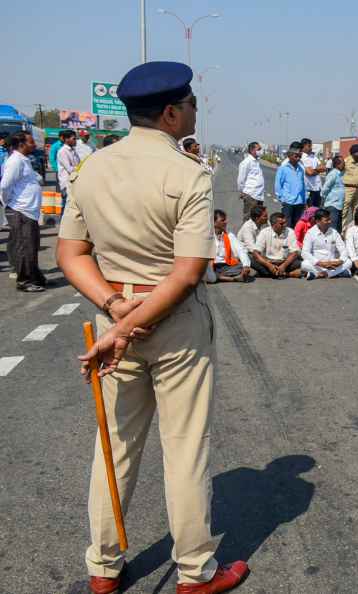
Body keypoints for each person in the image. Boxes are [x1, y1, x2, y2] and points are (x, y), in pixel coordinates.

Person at [55, 61, 249, 592]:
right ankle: (194, 572)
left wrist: (115, 309)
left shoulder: (91, 168)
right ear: (170, 112)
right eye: (190, 105)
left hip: (113, 318)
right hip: (173, 325)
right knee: (185, 447)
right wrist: (128, 321)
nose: (193, 113)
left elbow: (71, 252)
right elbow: (187, 274)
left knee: (114, 445)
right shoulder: (187, 174)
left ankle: (103, 566)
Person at [2, 131, 45, 291]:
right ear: (21, 144)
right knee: (24, 247)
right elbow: (5, 186)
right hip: (20, 210)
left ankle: (37, 279)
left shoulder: (24, 160)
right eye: (31, 142)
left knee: (31, 246)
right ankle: (25, 282)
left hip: (29, 211)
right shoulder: (15, 161)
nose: (34, 144)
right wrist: (10, 203)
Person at [301, 208, 351, 280]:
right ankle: (338, 273)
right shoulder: (310, 233)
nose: (330, 222)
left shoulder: (334, 232)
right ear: (318, 221)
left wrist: (340, 261)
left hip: (333, 263)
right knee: (304, 264)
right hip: (318, 263)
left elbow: (343, 250)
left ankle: (321, 274)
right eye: (326, 220)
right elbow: (305, 253)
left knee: (349, 262)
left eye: (329, 219)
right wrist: (320, 263)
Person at [253, 211, 303, 278]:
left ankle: (269, 273)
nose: (285, 225)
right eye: (281, 224)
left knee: (302, 263)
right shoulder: (264, 232)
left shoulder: (290, 232)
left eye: (285, 222)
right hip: (268, 262)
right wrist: (269, 265)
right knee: (250, 258)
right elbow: (256, 252)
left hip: (285, 262)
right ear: (273, 224)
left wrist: (284, 266)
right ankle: (285, 274)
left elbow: (294, 252)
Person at [208, 209, 251, 283]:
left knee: (241, 267)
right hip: (210, 265)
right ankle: (231, 278)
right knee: (201, 269)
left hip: (225, 266)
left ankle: (216, 276)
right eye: (223, 220)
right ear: (214, 223)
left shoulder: (229, 236)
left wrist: (246, 266)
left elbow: (241, 250)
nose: (226, 222)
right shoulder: (207, 236)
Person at [275, 147, 307, 229]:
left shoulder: (300, 169)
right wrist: (282, 198)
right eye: (296, 156)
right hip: (288, 201)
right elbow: (278, 185)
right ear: (289, 156)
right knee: (287, 225)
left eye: (299, 156)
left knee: (297, 225)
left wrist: (305, 199)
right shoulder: (283, 169)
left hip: (299, 202)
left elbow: (302, 185)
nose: (298, 158)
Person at [237, 141, 265, 221]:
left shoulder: (256, 162)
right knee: (249, 219)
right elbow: (241, 179)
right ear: (252, 150)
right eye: (259, 149)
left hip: (259, 195)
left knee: (258, 220)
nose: (261, 151)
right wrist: (242, 192)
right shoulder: (246, 162)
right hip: (251, 195)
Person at [56, 129, 80, 215]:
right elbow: (70, 169)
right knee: (66, 206)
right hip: (66, 183)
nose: (75, 140)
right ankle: (62, 227)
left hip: (74, 182)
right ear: (66, 139)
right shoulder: (62, 151)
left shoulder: (73, 151)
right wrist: (80, 168)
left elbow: (78, 164)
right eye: (74, 138)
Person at [342, 144, 358, 231]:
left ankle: (355, 229)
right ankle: (342, 230)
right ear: (355, 153)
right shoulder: (346, 161)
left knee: (357, 209)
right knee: (345, 210)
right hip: (348, 189)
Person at [321, 155, 346, 233]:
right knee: (332, 228)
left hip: (339, 205)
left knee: (338, 228)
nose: (344, 164)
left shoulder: (341, 174)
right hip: (332, 205)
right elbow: (325, 189)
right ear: (337, 164)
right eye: (343, 163)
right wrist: (324, 200)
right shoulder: (333, 174)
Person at [300, 138, 325, 208]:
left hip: (317, 188)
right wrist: (318, 169)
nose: (311, 148)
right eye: (309, 146)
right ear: (303, 146)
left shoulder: (313, 156)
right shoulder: (302, 157)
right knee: (309, 212)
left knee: (317, 212)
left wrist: (315, 170)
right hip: (309, 189)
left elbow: (323, 167)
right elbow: (309, 173)